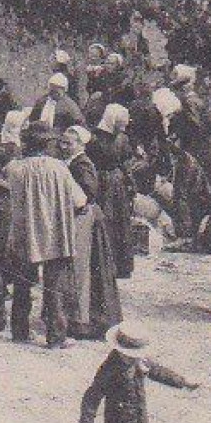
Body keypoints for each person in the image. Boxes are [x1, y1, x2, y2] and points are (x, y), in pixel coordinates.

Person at [5, 122, 85, 348]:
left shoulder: (14, 169)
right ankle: (56, 336)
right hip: (54, 234)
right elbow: (80, 200)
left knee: (22, 284)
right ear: (47, 144)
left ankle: (20, 331)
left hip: (25, 233)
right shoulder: (59, 168)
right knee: (54, 286)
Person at [63, 125, 123, 340]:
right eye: (64, 142)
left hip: (86, 218)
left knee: (86, 268)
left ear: (80, 144)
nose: (65, 146)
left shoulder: (82, 163)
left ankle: (86, 320)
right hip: (81, 217)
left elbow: (88, 191)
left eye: (69, 143)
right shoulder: (73, 162)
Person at [87, 103, 136, 279]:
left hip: (116, 182)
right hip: (102, 182)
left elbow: (127, 162)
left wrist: (130, 183)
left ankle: (121, 265)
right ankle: (105, 264)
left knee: (120, 222)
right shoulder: (94, 138)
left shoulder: (122, 139)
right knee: (105, 221)